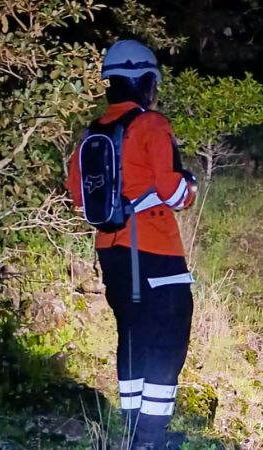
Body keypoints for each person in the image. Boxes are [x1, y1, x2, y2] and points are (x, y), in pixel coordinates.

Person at [65, 40, 197, 450]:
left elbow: (77, 198)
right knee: (166, 340)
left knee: (133, 335)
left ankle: (133, 433)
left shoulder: (93, 134)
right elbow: (175, 192)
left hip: (111, 250)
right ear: (144, 81)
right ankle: (152, 439)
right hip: (155, 250)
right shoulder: (151, 125)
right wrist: (189, 185)